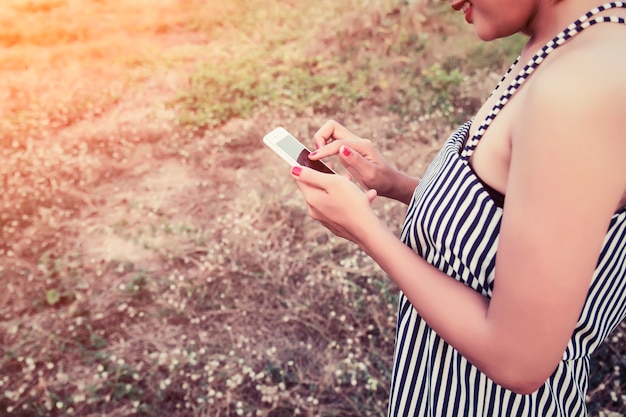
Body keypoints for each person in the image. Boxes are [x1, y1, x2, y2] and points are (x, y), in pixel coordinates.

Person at [289, 0, 626, 416]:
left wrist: (366, 231)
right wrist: (394, 184)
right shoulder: (561, 45)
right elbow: (516, 219)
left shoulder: (583, 87)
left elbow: (519, 360)